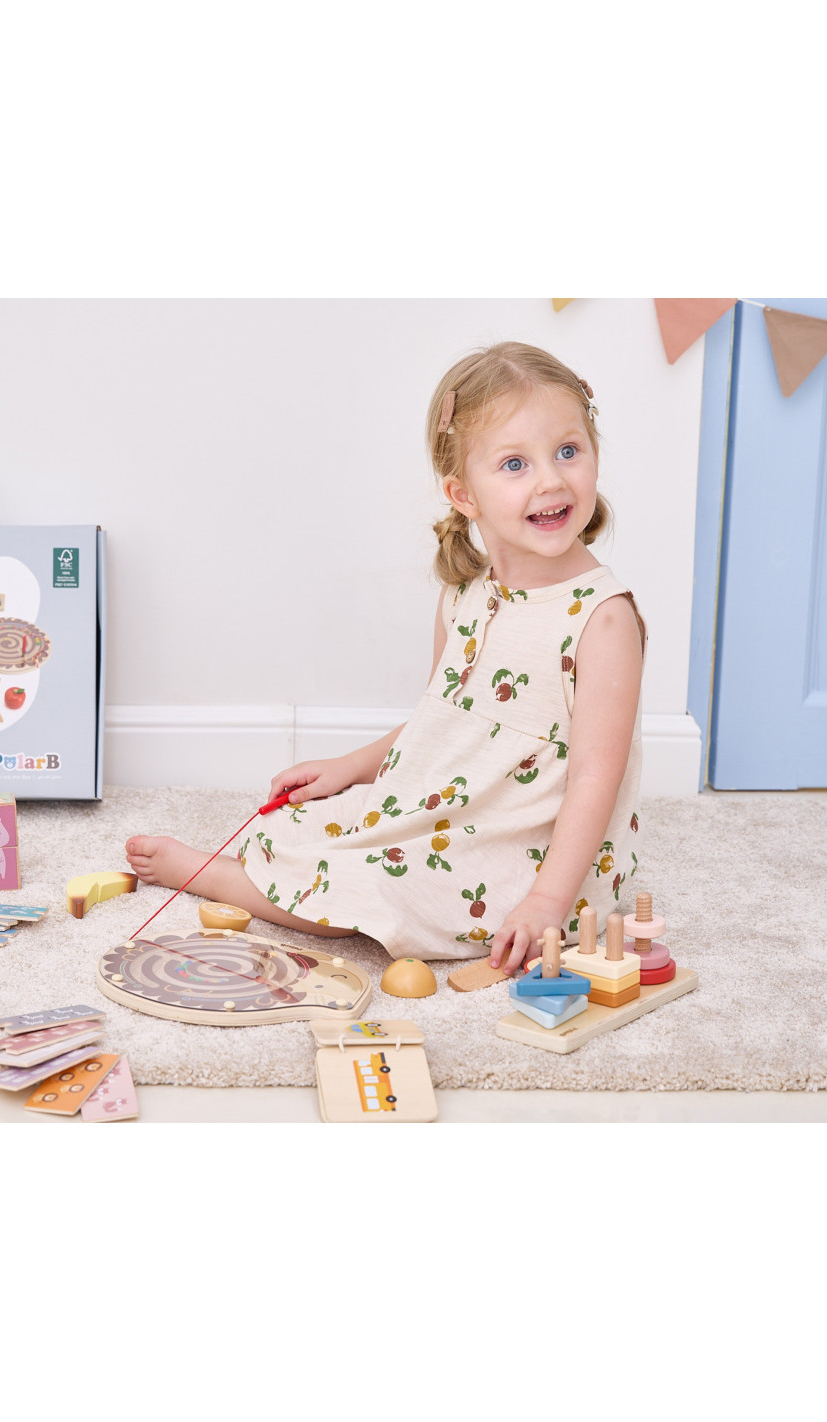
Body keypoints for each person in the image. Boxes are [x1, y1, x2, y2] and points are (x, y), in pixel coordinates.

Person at [126, 341, 645, 973]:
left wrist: (546, 901)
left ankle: (216, 878)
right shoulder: (465, 594)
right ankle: (266, 867)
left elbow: (595, 775)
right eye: (515, 463)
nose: (551, 480)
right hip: (454, 807)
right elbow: (442, 719)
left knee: (371, 890)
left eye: (568, 451)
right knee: (296, 828)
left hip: (535, 847)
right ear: (464, 494)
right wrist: (349, 767)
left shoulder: (602, 617)